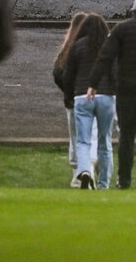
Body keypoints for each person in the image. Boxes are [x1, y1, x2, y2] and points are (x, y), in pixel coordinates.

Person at [88, 0, 136, 189]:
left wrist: (93, 83)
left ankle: (124, 179)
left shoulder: (122, 29)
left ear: (134, 10)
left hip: (126, 90)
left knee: (127, 137)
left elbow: (105, 57)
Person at [66, 14, 116, 189]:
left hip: (82, 95)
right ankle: (104, 184)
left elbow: (68, 75)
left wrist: (69, 96)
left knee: (83, 140)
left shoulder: (77, 46)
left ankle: (85, 170)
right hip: (106, 96)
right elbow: (115, 71)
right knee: (105, 141)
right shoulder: (109, 46)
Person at [54, 13, 91, 187]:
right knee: (92, 136)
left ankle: (77, 173)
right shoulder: (94, 47)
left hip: (73, 99)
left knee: (75, 137)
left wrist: (68, 93)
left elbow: (58, 74)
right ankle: (90, 170)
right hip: (92, 97)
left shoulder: (67, 49)